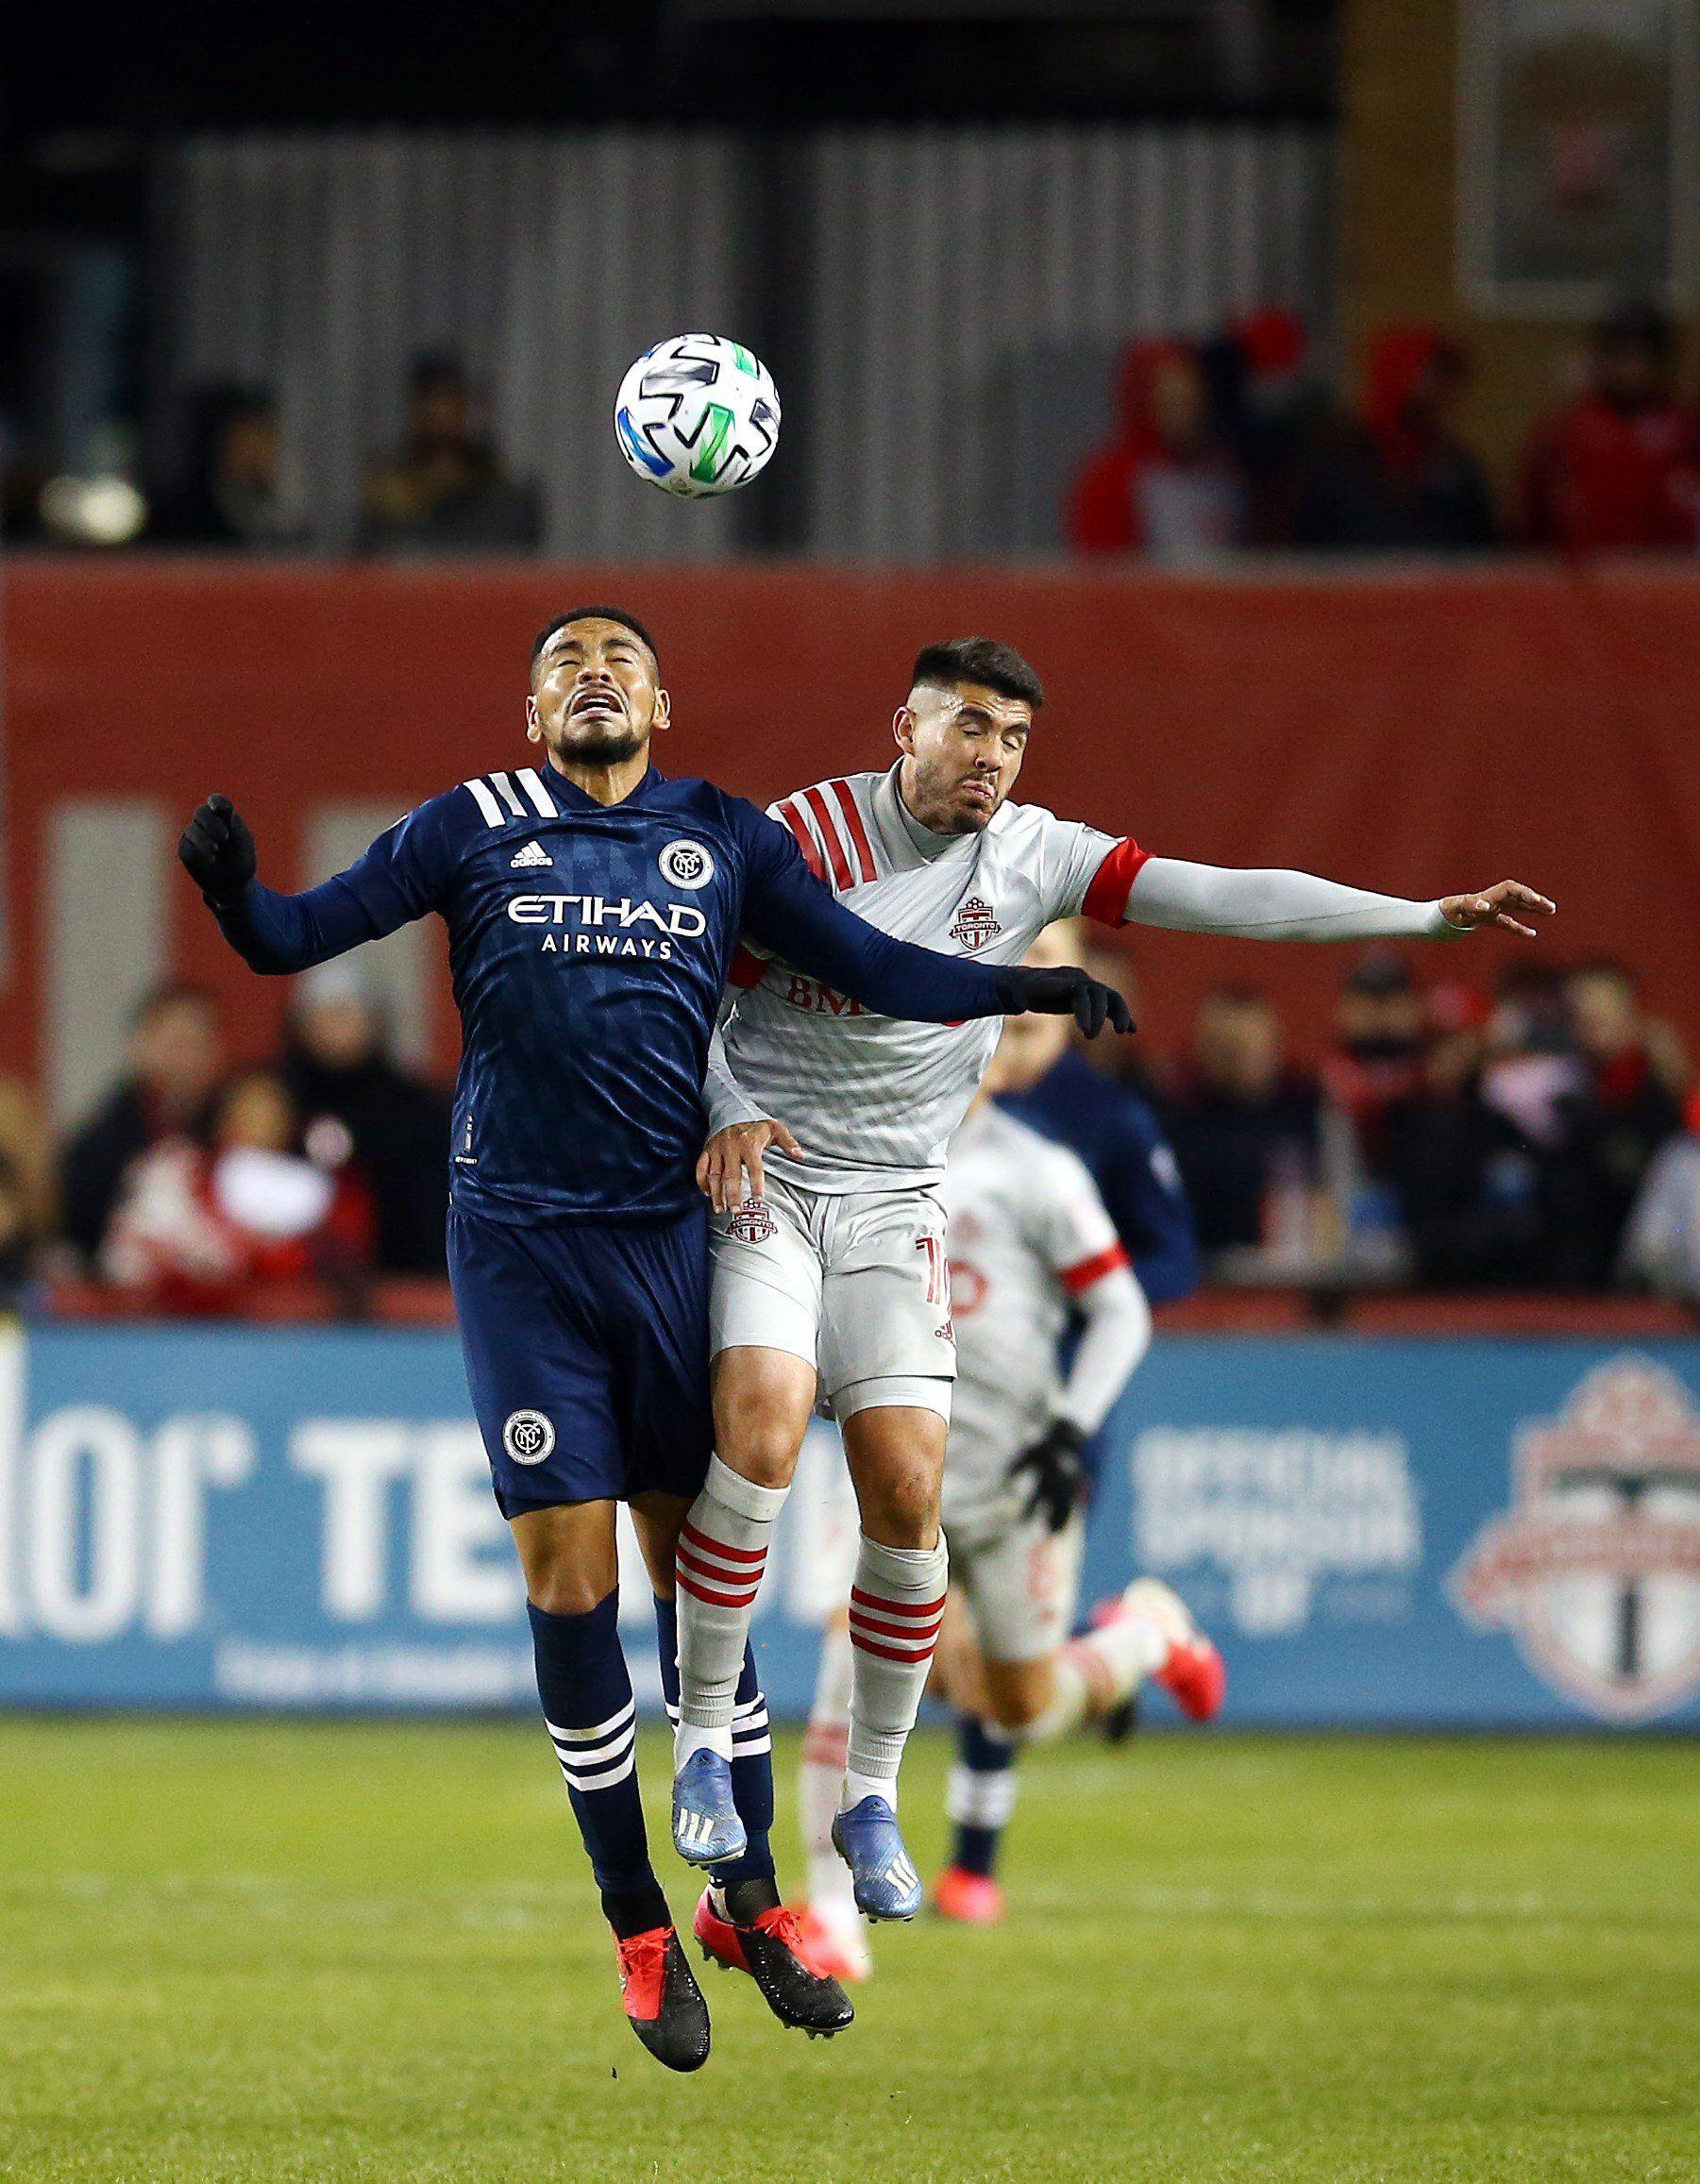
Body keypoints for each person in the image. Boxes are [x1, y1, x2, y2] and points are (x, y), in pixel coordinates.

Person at [177, 606, 1123, 2072]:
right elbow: (299, 936)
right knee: (571, 1574)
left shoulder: (727, 838)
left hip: (674, 1237)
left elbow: (871, 968)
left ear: (664, 702)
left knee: (704, 1565)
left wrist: (1029, 983)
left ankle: (743, 1897)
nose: (597, 673)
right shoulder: (469, 824)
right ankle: (638, 1920)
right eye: (568, 662)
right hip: (521, 1250)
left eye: (620, 658)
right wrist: (239, 900)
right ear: (534, 708)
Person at [688, 631, 1555, 1924]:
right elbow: (686, 996)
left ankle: (872, 1793)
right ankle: (705, 1737)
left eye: (1014, 737)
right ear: (903, 729)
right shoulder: (799, 838)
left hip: (894, 1198)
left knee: (906, 1492)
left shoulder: (1034, 853)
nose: (992, 757)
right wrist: (720, 1106)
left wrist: (1421, 914)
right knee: (756, 1428)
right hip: (772, 1174)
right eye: (970, 727)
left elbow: (1225, 893)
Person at [99, 1069, 375, 1315]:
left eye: (271, 1110)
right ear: (223, 1115)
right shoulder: (175, 1173)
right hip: (186, 1335)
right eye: (248, 1108)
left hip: (294, 1341)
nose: (259, 1121)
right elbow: (128, 1264)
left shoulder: (325, 1190)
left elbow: (346, 1270)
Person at [279, 963, 452, 1274]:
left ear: (373, 1022)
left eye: (344, 1013)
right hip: (289, 1292)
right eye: (321, 1015)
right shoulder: (275, 1102)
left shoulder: (416, 1109)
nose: (332, 1027)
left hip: (400, 1289)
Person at [59, 983, 224, 1271]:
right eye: (174, 1043)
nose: (185, 1059)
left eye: (197, 1043)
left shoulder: (229, 1127)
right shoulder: (97, 1144)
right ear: (139, 1044)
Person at [1293, 326, 1495, 554]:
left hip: (1438, 587)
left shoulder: (1453, 462)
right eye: (1426, 373)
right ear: (1395, 370)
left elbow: (1483, 544)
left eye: (1444, 376)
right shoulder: (1333, 454)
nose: (1436, 389)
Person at [1521, 300, 1698, 554]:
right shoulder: (1564, 433)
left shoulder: (1687, 431)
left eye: (1643, 355)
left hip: (1671, 583)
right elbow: (1530, 530)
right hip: (1583, 586)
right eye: (1620, 353)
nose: (1631, 368)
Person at [1163, 987, 1325, 1256]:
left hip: (1293, 1273)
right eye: (1228, 1047)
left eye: (1252, 1044)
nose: (1241, 1058)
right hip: (1211, 1277)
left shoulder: (1306, 1111)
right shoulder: (1180, 1122)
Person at [1066, 342, 1243, 560]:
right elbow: (1104, 573)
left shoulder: (1227, 471)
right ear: (1143, 401)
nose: (1184, 412)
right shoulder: (1110, 479)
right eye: (1170, 401)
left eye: (1191, 399)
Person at [359, 354, 541, 555]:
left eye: (450, 400)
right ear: (414, 410)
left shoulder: (509, 503)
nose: (440, 413)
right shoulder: (387, 499)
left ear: (469, 409)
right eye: (429, 401)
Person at [148, 385, 303, 549]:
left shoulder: (279, 520)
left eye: (267, 437)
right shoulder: (178, 520)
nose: (262, 450)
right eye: (249, 439)